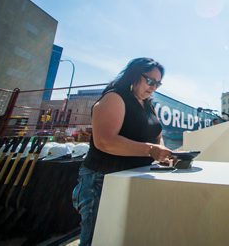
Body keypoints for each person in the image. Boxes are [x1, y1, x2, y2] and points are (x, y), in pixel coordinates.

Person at [72, 58, 173, 246]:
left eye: (157, 84)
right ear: (134, 75)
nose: (153, 87)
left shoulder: (148, 104)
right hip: (102, 179)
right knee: (97, 239)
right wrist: (151, 150)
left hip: (132, 179)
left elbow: (157, 136)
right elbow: (105, 141)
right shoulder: (114, 97)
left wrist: (165, 154)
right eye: (150, 81)